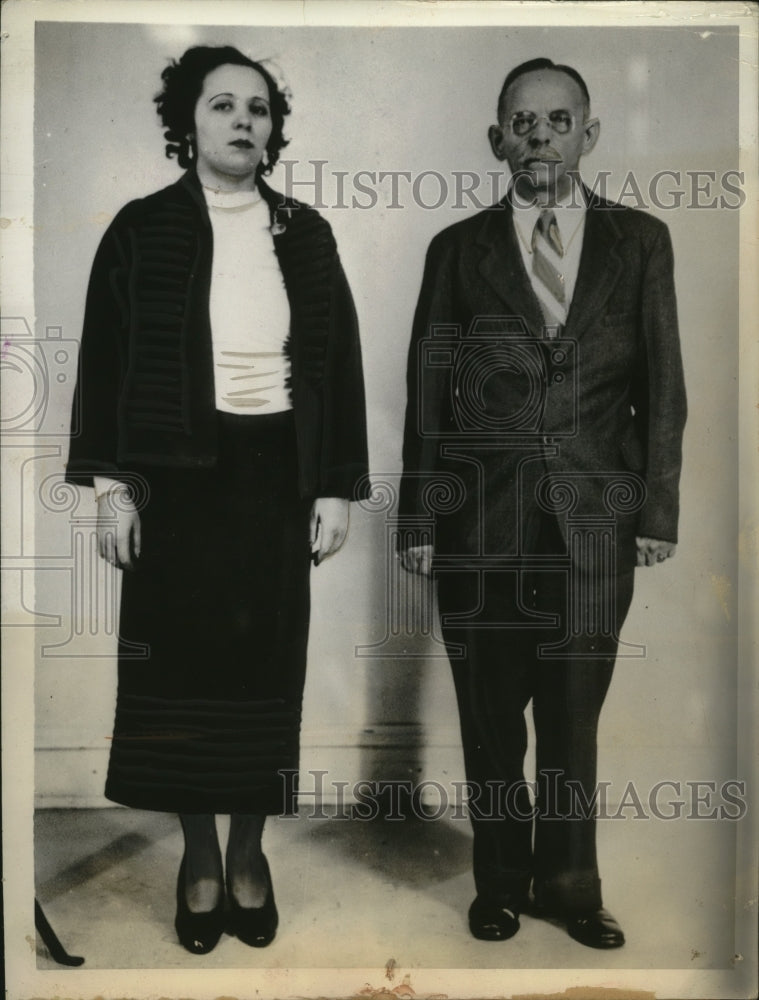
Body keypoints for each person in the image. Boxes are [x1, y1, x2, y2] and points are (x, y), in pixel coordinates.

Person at [65, 45, 369, 955]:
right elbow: (104, 361)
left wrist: (333, 489)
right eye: (223, 105)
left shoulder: (304, 233)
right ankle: (198, 858)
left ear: (274, 128)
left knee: (263, 675)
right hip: (174, 485)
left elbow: (337, 369)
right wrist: (113, 491)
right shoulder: (141, 227)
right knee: (181, 681)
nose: (244, 121)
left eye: (260, 108)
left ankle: (248, 855)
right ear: (186, 124)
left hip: (273, 482)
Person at [399, 58, 685, 948]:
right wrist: (418, 518)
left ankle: (567, 885)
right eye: (521, 123)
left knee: (570, 715)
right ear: (496, 140)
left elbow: (663, 388)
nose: (539, 138)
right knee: (490, 718)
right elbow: (426, 393)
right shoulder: (457, 250)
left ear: (587, 136)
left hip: (594, 524)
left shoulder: (639, 242)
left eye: (558, 122)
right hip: (480, 522)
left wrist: (654, 513)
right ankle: (498, 882)